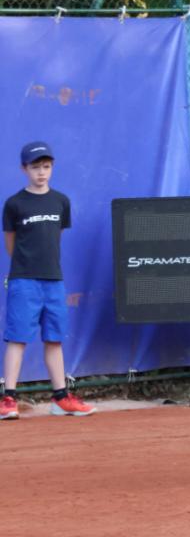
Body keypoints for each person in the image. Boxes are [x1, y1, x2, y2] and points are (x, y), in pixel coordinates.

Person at [1, 141, 96, 420]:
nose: (41, 172)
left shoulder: (61, 201)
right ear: (24, 169)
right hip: (23, 282)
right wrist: (25, 266)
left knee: (54, 339)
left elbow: (56, 238)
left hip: (54, 281)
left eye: (46, 166)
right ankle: (8, 399)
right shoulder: (14, 204)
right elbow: (11, 244)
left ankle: (61, 398)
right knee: (17, 339)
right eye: (35, 167)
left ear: (51, 167)